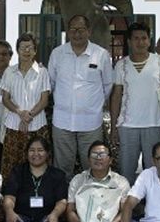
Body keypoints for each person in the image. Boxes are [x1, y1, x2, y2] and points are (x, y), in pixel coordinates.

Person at [47, 14, 113, 177]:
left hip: (91, 123)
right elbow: (51, 83)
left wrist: (92, 105)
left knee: (92, 167)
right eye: (73, 30)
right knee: (62, 170)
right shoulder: (57, 54)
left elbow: (108, 86)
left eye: (81, 29)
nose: (77, 33)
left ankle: (88, 200)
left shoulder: (101, 55)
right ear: (68, 32)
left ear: (89, 31)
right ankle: (64, 201)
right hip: (62, 122)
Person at [109, 22, 160, 178]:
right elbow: (116, 97)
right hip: (127, 126)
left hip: (154, 124)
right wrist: (113, 126)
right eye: (136, 38)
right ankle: (128, 201)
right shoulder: (121, 65)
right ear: (129, 42)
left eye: (144, 38)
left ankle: (153, 202)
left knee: (154, 172)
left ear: (149, 41)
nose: (140, 42)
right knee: (126, 172)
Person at [48, 142, 130, 222]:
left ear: (110, 160)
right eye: (94, 154)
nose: (98, 158)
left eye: (102, 154)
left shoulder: (121, 182)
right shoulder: (78, 180)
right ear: (88, 159)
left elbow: (125, 211)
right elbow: (70, 210)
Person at [1, 136, 70, 222]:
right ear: (27, 153)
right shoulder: (18, 172)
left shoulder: (57, 175)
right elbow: (9, 197)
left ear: (48, 153)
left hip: (46, 217)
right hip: (23, 217)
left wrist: (54, 214)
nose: (36, 154)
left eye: (40, 150)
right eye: (32, 150)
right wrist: (10, 212)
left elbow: (62, 201)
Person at [0, 33, 51, 176]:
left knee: (39, 163)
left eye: (30, 48)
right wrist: (20, 113)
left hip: (37, 125)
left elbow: (44, 100)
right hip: (14, 125)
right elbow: (5, 99)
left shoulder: (42, 72)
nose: (26, 51)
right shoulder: (9, 72)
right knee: (11, 165)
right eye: (23, 48)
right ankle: (10, 196)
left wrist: (29, 116)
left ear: (35, 50)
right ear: (17, 50)